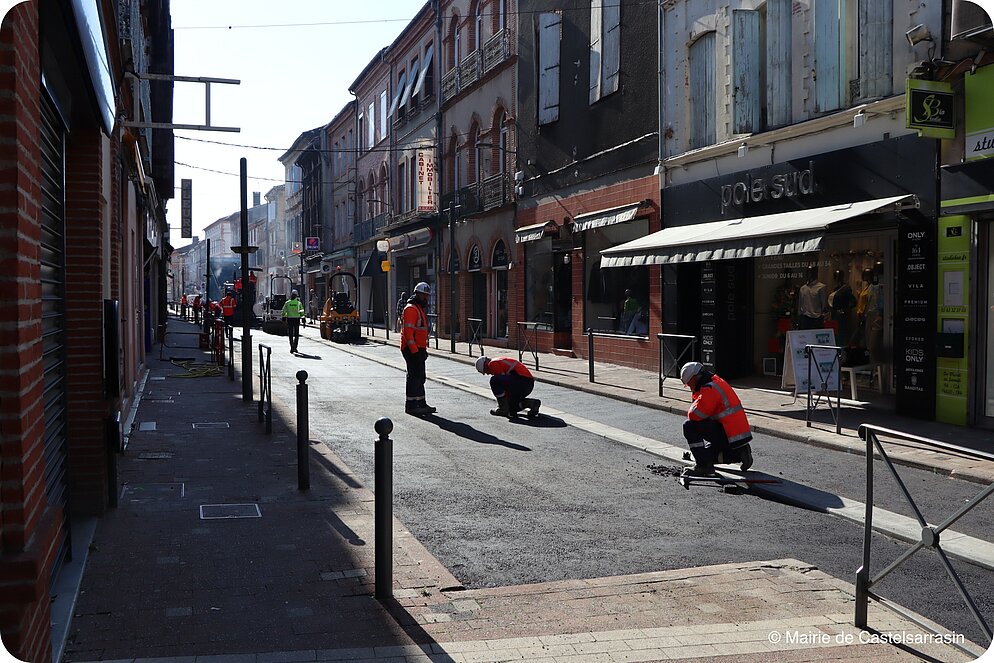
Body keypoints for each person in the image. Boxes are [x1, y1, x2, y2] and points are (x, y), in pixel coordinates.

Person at [679, 361, 754, 477]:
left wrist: (695, 401)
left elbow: (695, 415)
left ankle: (704, 466)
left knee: (689, 426)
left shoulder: (709, 388)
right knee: (706, 454)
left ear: (694, 378)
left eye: (689, 383)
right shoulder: (715, 381)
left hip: (729, 434)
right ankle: (739, 452)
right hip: (735, 435)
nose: (689, 387)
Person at [401, 282, 435, 415]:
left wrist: (422, 350)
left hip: (418, 348)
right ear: (417, 294)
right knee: (414, 377)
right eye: (424, 295)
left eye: (427, 296)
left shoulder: (418, 307)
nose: (426, 298)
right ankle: (411, 405)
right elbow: (408, 333)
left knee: (420, 376)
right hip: (411, 349)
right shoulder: (411, 308)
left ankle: (421, 403)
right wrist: (415, 351)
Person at [475, 356, 541, 419]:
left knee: (494, 380)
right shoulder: (498, 361)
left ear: (485, 365)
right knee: (511, 408)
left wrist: (503, 406)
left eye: (485, 371)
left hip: (522, 382)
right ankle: (531, 403)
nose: (487, 373)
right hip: (526, 384)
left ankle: (502, 408)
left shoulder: (492, 363)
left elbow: (502, 383)